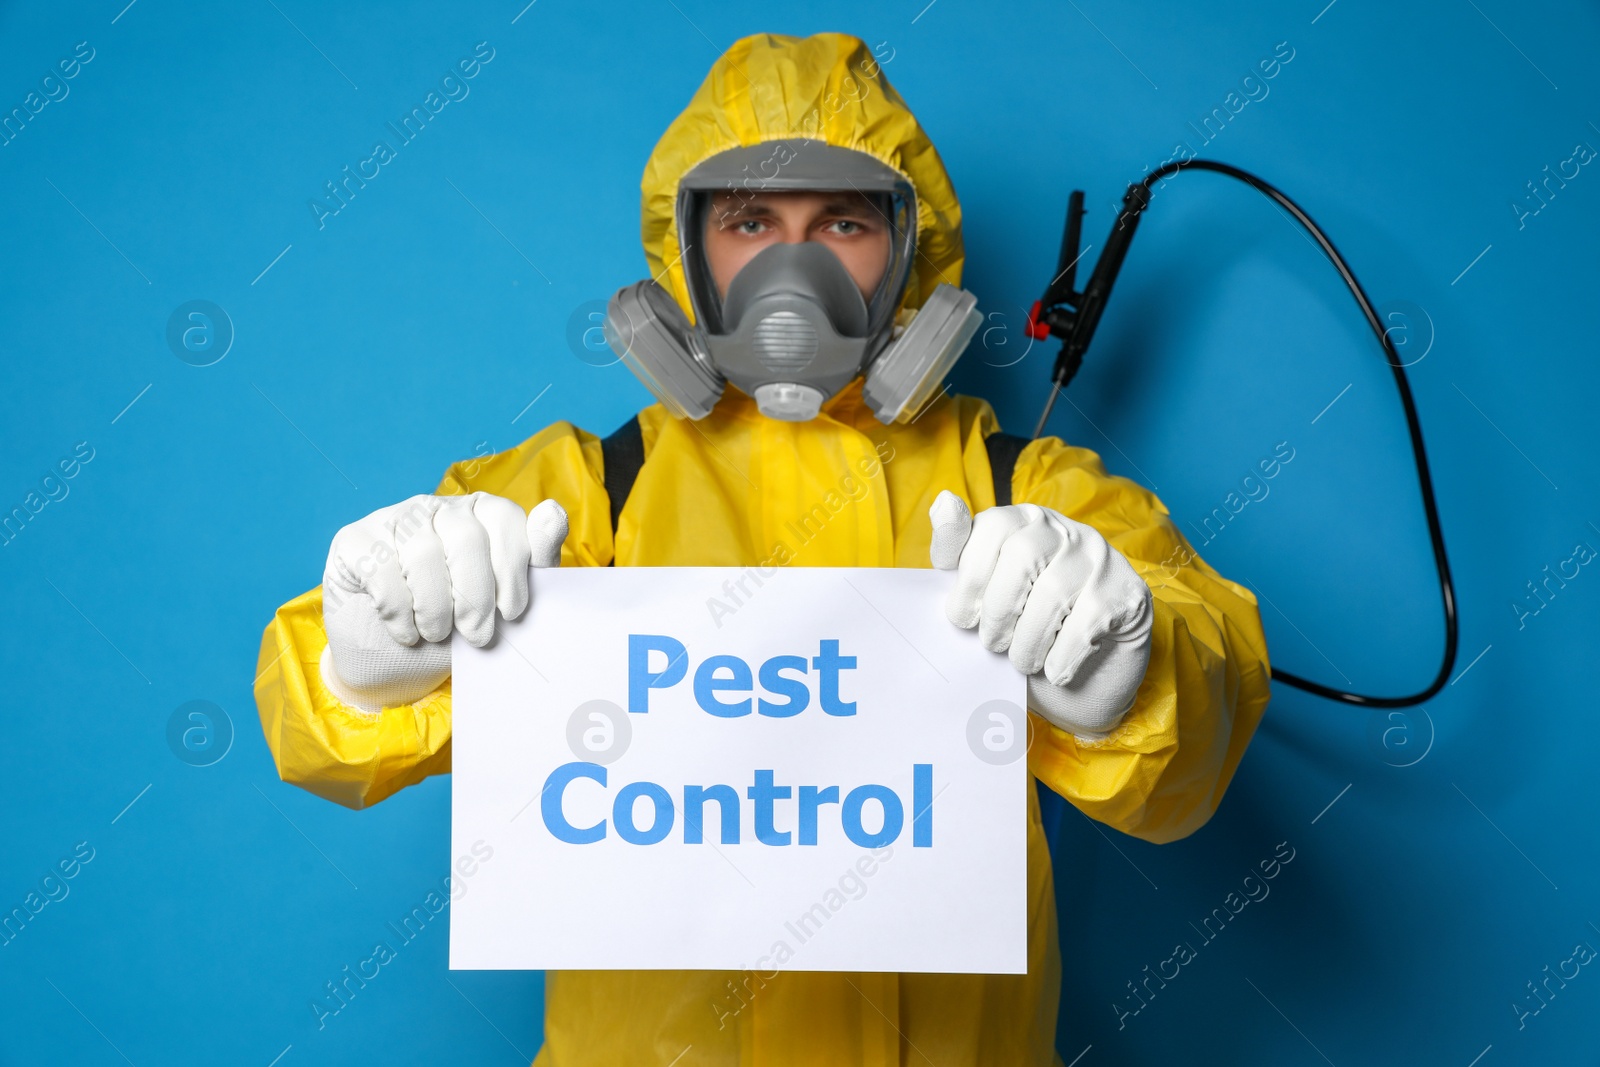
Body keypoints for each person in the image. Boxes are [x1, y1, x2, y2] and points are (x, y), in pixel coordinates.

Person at [254, 31, 1271, 1066]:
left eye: (840, 219)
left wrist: (1132, 678)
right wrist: (369, 658)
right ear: (687, 251)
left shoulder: (1026, 492)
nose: (795, 267)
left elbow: (1202, 737)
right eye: (749, 220)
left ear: (907, 245)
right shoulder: (589, 493)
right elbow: (315, 731)